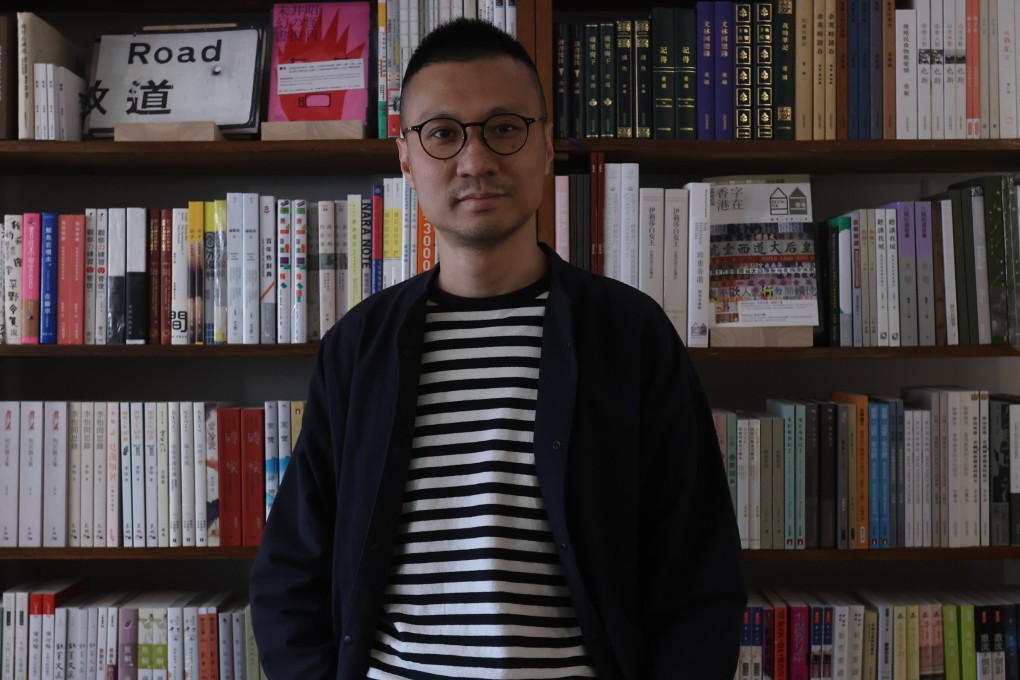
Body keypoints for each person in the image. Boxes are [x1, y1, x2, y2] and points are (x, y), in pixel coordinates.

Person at [250, 17, 746, 680]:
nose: (476, 160)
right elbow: (291, 571)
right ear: (405, 158)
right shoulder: (359, 346)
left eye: (505, 128)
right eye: (443, 133)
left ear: (546, 148)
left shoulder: (630, 335)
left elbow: (698, 575)